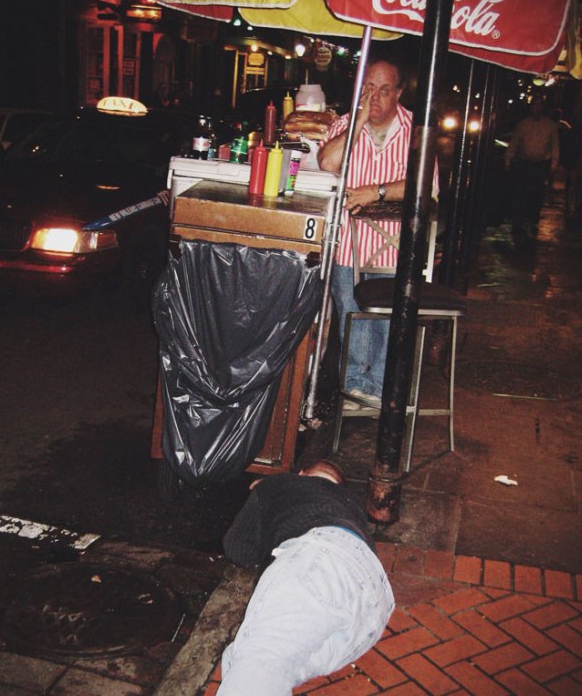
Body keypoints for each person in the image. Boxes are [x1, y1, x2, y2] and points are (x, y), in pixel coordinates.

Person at [217, 459, 394, 695]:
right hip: (374, 605)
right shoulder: (351, 507)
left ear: (301, 473)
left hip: (319, 562)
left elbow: (237, 548)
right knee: (261, 668)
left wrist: (267, 498)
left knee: (259, 663)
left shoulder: (282, 483)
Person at [317, 56, 412, 408]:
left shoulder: (416, 131)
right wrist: (357, 121)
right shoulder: (344, 125)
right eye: (369, 88)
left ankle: (378, 391)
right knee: (351, 316)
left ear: (399, 93)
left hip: (395, 251)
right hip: (347, 247)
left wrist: (377, 191)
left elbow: (426, 186)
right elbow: (327, 162)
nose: (375, 97)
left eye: (384, 90)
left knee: (387, 323)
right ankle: (354, 388)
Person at [505, 96, 559, 251]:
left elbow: (554, 146)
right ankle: (518, 223)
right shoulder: (523, 125)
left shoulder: (550, 126)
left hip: (540, 165)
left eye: (540, 106)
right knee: (520, 193)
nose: (537, 108)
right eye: (534, 106)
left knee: (536, 194)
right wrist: (508, 160)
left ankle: (532, 219)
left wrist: (553, 165)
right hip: (524, 163)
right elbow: (514, 143)